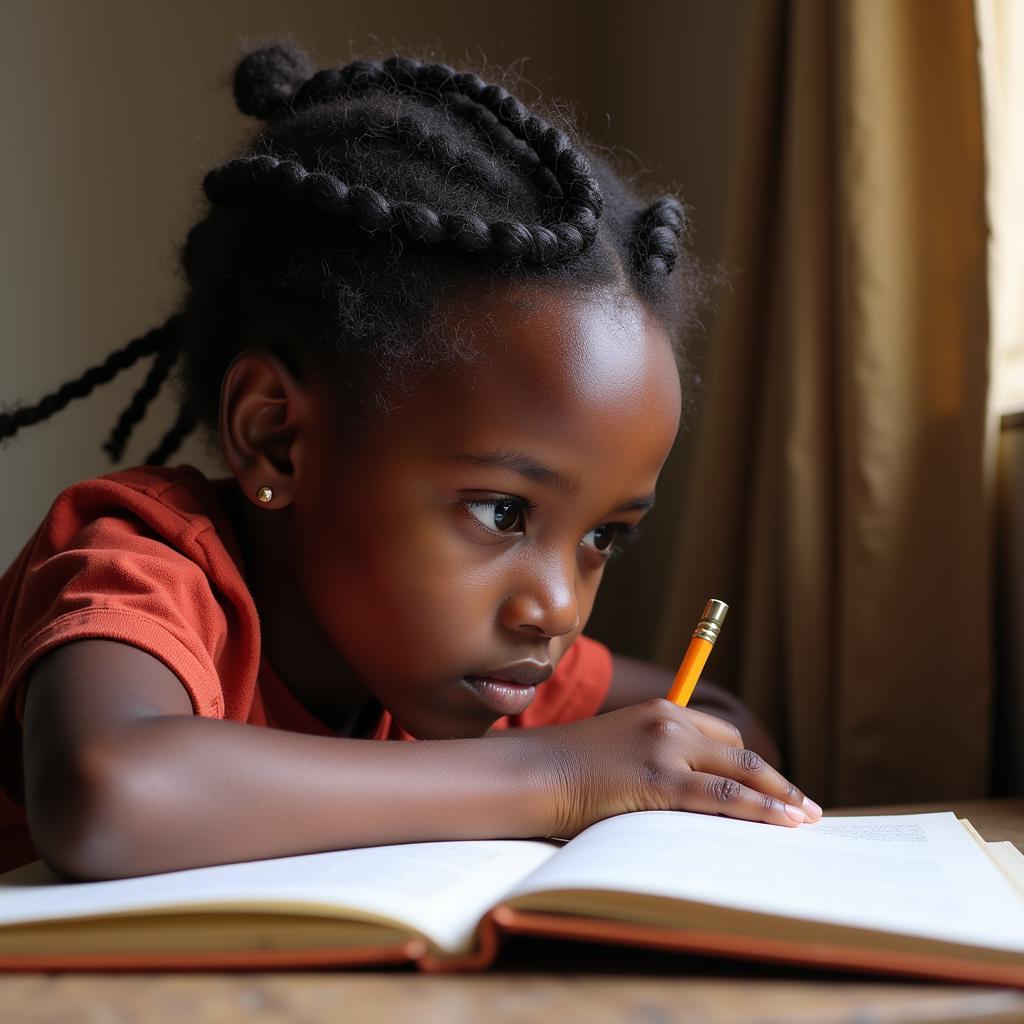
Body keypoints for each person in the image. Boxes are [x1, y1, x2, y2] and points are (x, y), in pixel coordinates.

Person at [0, 44, 822, 881]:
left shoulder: (456, 657)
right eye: (502, 511)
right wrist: (560, 775)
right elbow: (104, 793)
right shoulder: (142, 561)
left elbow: (722, 725)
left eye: (605, 537)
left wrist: (660, 764)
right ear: (275, 436)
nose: (558, 608)